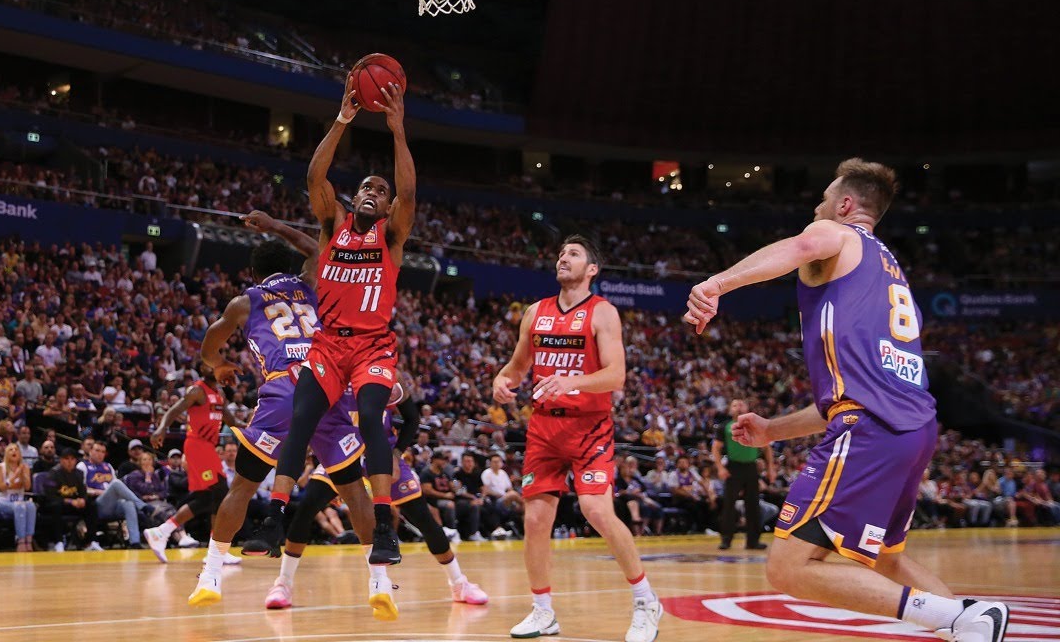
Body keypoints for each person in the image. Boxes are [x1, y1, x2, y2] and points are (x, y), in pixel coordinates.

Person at [683, 158, 1009, 642]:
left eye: (822, 200)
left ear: (846, 205)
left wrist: (717, 284)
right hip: (912, 430)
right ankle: (970, 625)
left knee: (788, 568)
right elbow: (850, 394)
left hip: (871, 429)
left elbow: (803, 245)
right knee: (885, 556)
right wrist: (773, 430)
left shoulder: (838, 235)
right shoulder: (890, 273)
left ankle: (960, 618)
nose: (816, 209)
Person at [253, 73, 417, 614]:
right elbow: (314, 174)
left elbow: (409, 189)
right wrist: (343, 119)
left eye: (381, 190)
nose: (373, 191)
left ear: (389, 207)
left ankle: (386, 527)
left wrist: (396, 130)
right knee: (301, 419)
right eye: (367, 187)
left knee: (371, 416)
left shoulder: (390, 237)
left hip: (372, 346)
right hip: (327, 344)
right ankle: (275, 514)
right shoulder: (333, 227)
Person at [169, 211, 374, 612]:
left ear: (255, 271)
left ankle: (211, 572)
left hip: (282, 390)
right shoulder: (314, 283)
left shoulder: (245, 302)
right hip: (326, 384)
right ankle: (379, 579)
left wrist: (218, 366)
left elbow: (209, 343)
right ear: (291, 265)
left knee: (242, 487)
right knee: (352, 489)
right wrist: (276, 226)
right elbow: (318, 249)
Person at [493, 236, 661, 642]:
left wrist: (571, 381)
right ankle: (542, 612)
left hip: (589, 425)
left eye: (573, 254)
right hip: (544, 429)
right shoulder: (536, 312)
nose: (562, 258)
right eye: (561, 253)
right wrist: (503, 379)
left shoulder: (603, 313)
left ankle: (645, 601)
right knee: (534, 521)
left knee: (596, 511)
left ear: (592, 270)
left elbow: (616, 375)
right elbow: (518, 365)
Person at [278, 384, 488, 611]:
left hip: (381, 453)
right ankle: (283, 583)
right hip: (342, 450)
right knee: (307, 507)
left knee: (423, 518)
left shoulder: (386, 375)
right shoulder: (334, 371)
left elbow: (411, 418)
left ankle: (458, 582)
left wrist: (396, 454)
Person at [144, 377, 234, 567]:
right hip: (197, 446)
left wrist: (252, 426)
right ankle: (216, 551)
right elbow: (174, 410)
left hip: (208, 447)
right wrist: (161, 428)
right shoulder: (197, 391)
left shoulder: (218, 395)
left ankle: (161, 532)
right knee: (221, 491)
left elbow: (231, 420)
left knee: (206, 498)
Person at [713, 398, 776, 550]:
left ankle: (753, 541)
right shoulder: (724, 427)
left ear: (747, 408)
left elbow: (767, 448)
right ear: (730, 410)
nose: (738, 407)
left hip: (751, 467)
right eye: (734, 405)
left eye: (741, 404)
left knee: (753, 505)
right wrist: (720, 468)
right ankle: (726, 539)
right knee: (729, 504)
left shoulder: (756, 426)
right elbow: (715, 448)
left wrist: (770, 468)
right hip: (733, 468)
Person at [78, 441, 145, 550]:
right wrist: (97, 492)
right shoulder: (83, 466)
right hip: (95, 505)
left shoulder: (108, 466)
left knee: (128, 503)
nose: (100, 454)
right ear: (90, 451)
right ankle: (142, 505)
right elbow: (80, 489)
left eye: (103, 452)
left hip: (112, 504)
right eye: (97, 451)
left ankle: (135, 542)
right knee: (116, 483)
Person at [39, 447, 99, 553]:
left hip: (73, 504)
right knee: (56, 506)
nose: (69, 462)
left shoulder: (79, 474)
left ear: (75, 461)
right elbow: (50, 496)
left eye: (72, 459)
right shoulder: (53, 473)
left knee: (91, 506)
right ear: (61, 460)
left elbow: (83, 492)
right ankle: (59, 542)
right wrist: (71, 501)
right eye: (66, 459)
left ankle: (91, 542)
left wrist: (83, 500)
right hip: (55, 504)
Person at [0, 444, 37, 552]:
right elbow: (1, 488)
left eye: (16, 449)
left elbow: (27, 487)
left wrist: (24, 474)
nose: (14, 451)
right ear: (6, 453)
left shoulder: (24, 467)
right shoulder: (0, 467)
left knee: (31, 505)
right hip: (3, 503)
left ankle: (29, 540)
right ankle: (20, 541)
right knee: (20, 506)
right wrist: (16, 476)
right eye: (10, 449)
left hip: (19, 502)